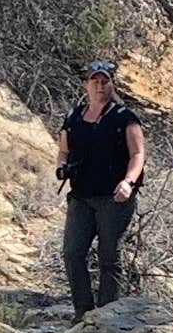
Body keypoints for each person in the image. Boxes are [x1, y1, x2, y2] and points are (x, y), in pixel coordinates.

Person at [53, 59, 147, 313]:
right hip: (81, 195)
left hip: (114, 198)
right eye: (95, 81)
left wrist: (128, 182)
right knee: (73, 254)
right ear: (86, 84)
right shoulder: (74, 116)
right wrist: (62, 167)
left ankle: (108, 315)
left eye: (105, 81)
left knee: (110, 258)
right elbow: (63, 150)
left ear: (112, 84)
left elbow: (138, 154)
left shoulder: (124, 117)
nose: (100, 86)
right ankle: (83, 313)